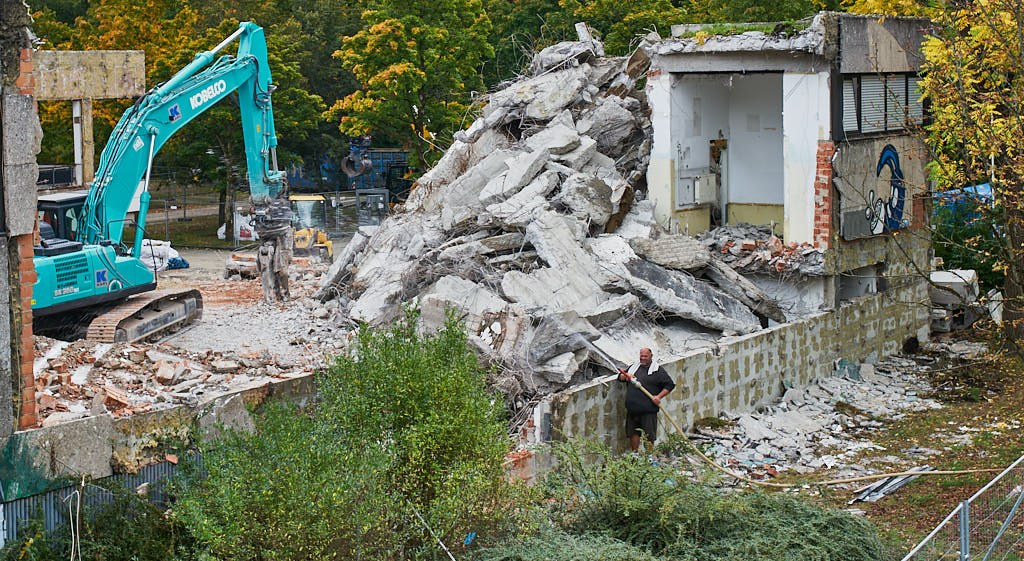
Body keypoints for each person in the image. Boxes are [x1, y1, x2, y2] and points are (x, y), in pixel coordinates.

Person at [618, 347, 675, 453]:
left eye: (645, 356)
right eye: (641, 356)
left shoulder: (657, 371)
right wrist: (625, 377)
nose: (643, 358)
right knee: (633, 433)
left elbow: (670, 385)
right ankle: (635, 455)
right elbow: (620, 377)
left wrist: (658, 397)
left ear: (651, 356)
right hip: (632, 410)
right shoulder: (633, 368)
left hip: (648, 410)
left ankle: (648, 457)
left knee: (649, 435)